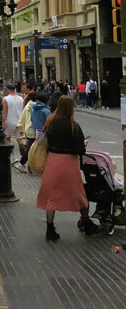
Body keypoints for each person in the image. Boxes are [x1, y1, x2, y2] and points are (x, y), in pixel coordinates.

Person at [37, 95, 100, 242]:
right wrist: (83, 144)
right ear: (70, 108)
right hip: (68, 162)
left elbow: (44, 141)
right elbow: (80, 149)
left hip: (53, 160)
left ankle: (50, 229)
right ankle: (86, 222)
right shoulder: (73, 125)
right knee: (78, 192)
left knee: (51, 196)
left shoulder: (50, 122)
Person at [2, 82, 24, 165]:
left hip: (9, 121)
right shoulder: (21, 99)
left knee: (7, 139)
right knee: (20, 140)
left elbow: (4, 112)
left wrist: (3, 122)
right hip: (19, 121)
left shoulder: (5, 99)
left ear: (7, 89)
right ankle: (24, 158)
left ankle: (12, 157)